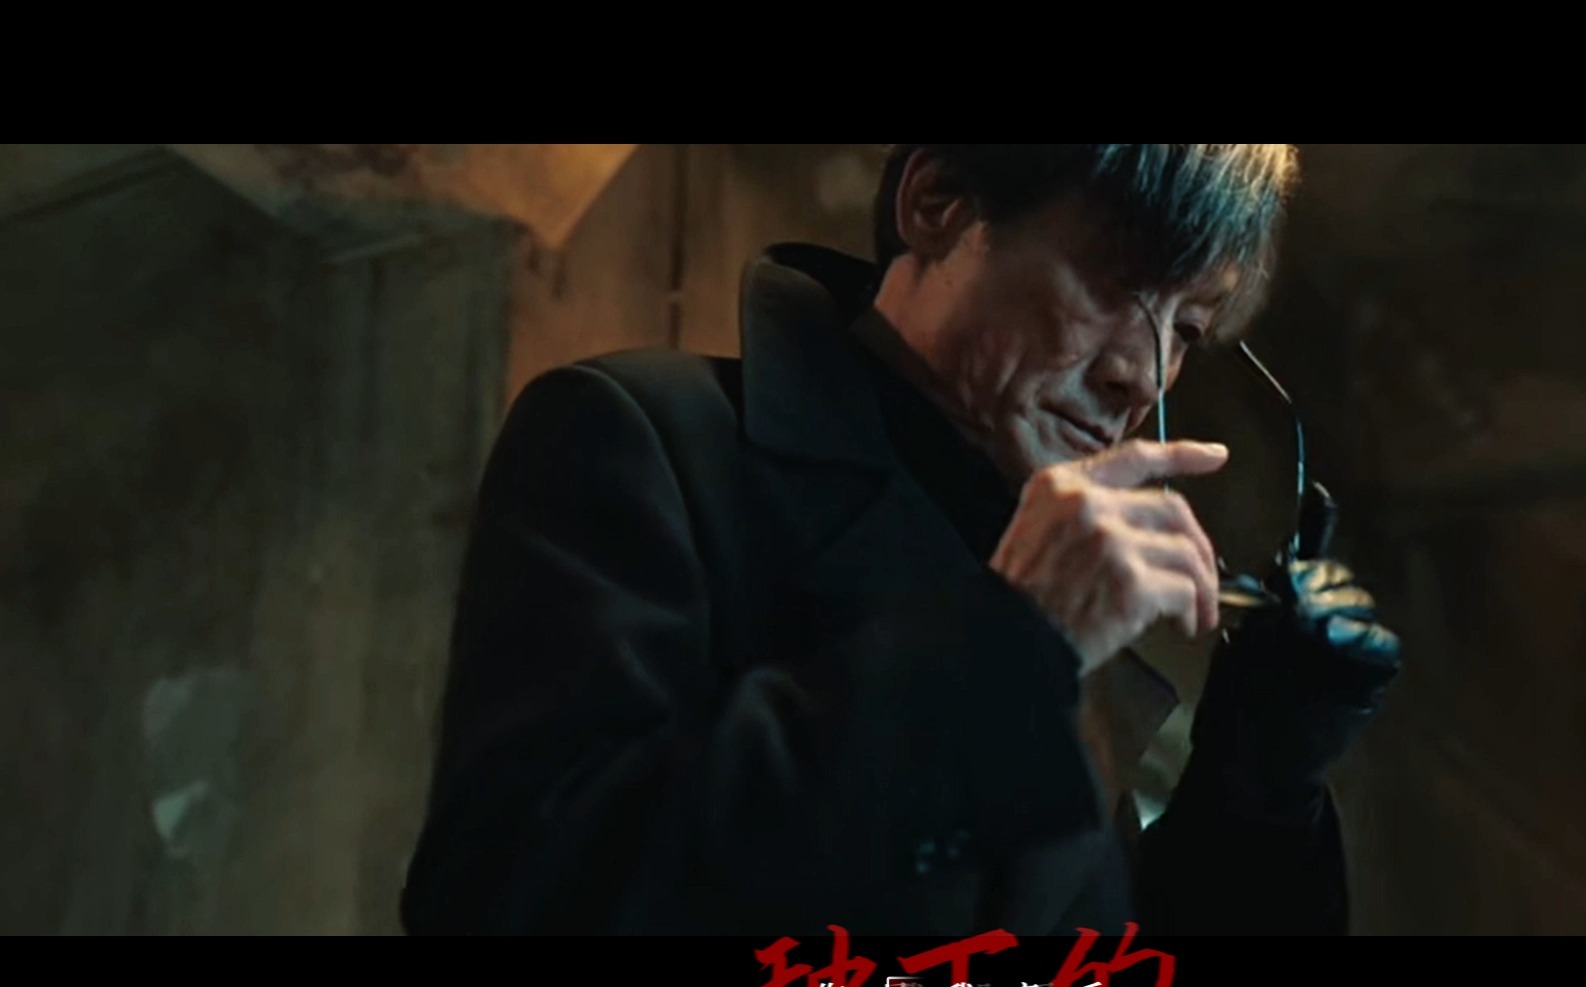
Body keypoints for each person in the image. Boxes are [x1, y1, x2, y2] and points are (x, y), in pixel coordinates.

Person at [400, 144, 1402, 936]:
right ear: (939, 203)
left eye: (1185, 329)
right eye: (1117, 279)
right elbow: (518, 895)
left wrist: (1260, 782)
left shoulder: (1056, 591)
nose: (1141, 377)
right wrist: (1008, 648)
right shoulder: (646, 439)